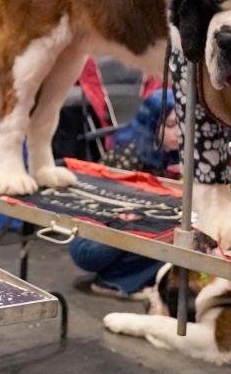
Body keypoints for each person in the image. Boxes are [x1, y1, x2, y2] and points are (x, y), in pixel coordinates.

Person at [70, 89, 178, 299]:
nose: (179, 133)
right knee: (170, 234)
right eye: (172, 125)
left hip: (119, 232)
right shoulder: (128, 157)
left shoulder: (168, 154)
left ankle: (124, 279)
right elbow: (120, 215)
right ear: (152, 123)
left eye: (182, 125)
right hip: (90, 240)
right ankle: (113, 282)